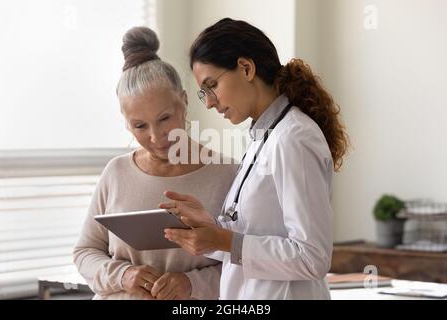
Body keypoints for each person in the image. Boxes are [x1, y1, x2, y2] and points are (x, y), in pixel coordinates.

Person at [160, 18, 350, 299]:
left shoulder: (294, 138)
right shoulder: (263, 137)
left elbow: (313, 257)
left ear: (246, 68)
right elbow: (256, 234)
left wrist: (225, 240)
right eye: (204, 93)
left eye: (211, 85)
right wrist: (211, 229)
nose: (210, 102)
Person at [73, 26, 237, 300]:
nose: (156, 137)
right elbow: (85, 253)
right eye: (139, 126)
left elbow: (243, 262)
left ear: (184, 102)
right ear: (126, 123)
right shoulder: (116, 173)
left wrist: (191, 283)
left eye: (164, 119)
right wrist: (123, 276)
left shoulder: (228, 174)